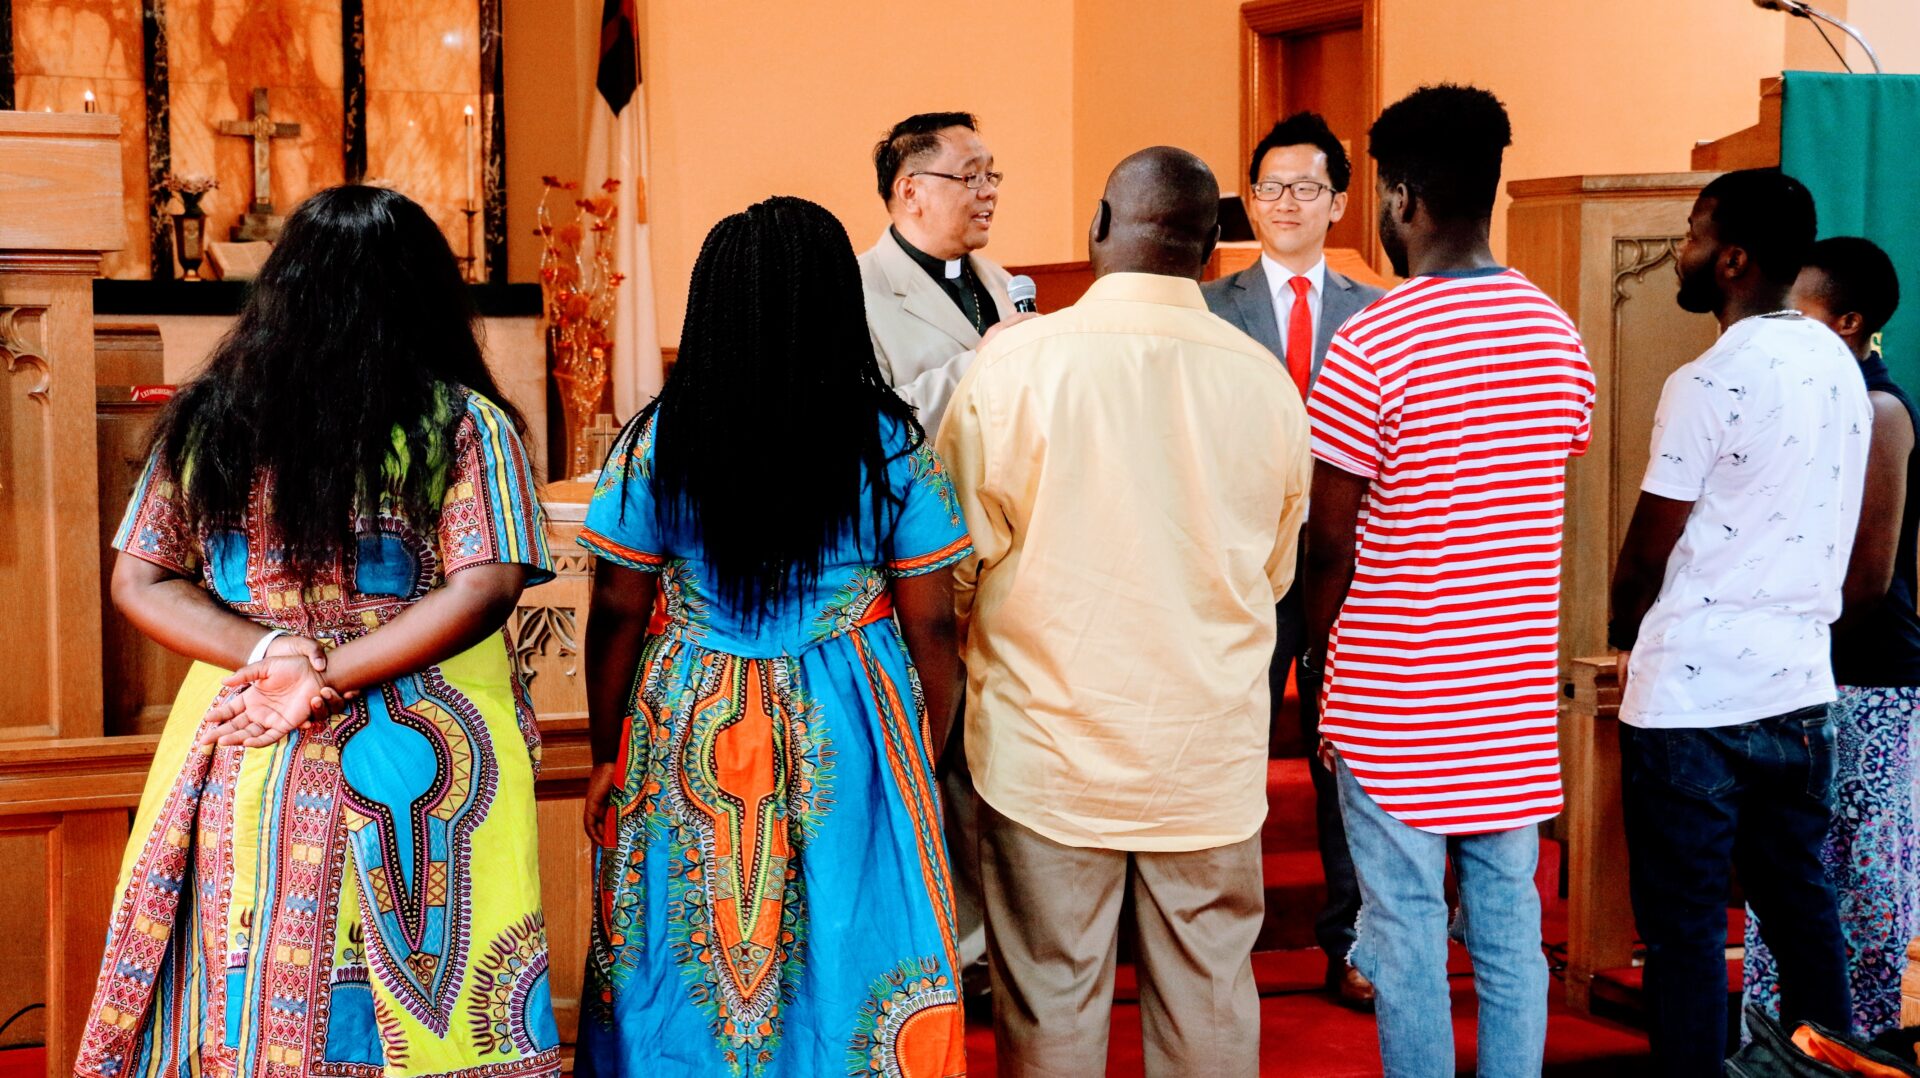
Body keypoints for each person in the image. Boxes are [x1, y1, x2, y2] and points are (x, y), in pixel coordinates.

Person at [75, 186, 560, 1078]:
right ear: (425, 290)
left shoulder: (212, 416)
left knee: (249, 967)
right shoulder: (463, 423)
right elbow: (484, 588)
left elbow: (140, 579)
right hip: (419, 731)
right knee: (428, 994)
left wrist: (273, 655)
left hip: (247, 723)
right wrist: (322, 669)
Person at [575, 196, 972, 1078]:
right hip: (851, 709)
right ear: (840, 302)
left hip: (690, 715)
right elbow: (934, 621)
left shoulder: (658, 441)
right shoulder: (889, 445)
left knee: (681, 954)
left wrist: (609, 751)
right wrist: (924, 748)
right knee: (849, 933)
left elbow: (615, 608)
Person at [939, 146, 1310, 1076]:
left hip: (1047, 746)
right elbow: (1273, 572)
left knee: (1054, 998)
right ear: (1214, 254)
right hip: (1204, 749)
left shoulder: (1016, 365)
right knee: (1212, 1001)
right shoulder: (1266, 381)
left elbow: (953, 566)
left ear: (1099, 227)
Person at [1303, 84, 1594, 1077]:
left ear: (1404, 196)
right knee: (1512, 932)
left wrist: (1309, 651)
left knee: (1407, 935)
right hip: (1508, 697)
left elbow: (1330, 545)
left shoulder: (1371, 341)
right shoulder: (1555, 333)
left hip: (1396, 697)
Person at [1610, 169, 1867, 1075]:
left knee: (1681, 932)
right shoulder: (1839, 361)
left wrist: (1621, 629)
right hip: (1799, 684)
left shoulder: (1707, 378)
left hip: (1693, 698)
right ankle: (1828, 1072)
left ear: (1733, 259)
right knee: (1803, 909)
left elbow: (1649, 547)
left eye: (1691, 232)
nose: (1679, 250)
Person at [1202, 109, 1385, 1007]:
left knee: (1345, 760)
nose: (1284, 202)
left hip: (1349, 568)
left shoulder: (1379, 313)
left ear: (1339, 203)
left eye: (1305, 187)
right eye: (1268, 187)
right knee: (1231, 748)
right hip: (1238, 564)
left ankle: (1350, 939)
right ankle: (1217, 942)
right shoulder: (1209, 308)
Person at [857, 110, 1031, 1002]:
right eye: (973, 175)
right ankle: (945, 943)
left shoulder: (997, 281)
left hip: (1001, 555)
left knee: (988, 750)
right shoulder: (859, 289)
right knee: (928, 748)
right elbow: (871, 417)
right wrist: (984, 365)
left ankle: (997, 938)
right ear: (910, 190)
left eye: (995, 173)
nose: (991, 191)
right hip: (910, 557)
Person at [1739, 238, 1913, 1039]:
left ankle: (1854, 1052)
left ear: (1849, 322)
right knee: (1789, 879)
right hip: (1799, 671)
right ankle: (1777, 1050)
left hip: (1866, 681)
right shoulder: (1806, 400)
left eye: (1800, 310)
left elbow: (1868, 579)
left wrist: (1780, 628)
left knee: (1863, 893)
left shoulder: (1877, 409)